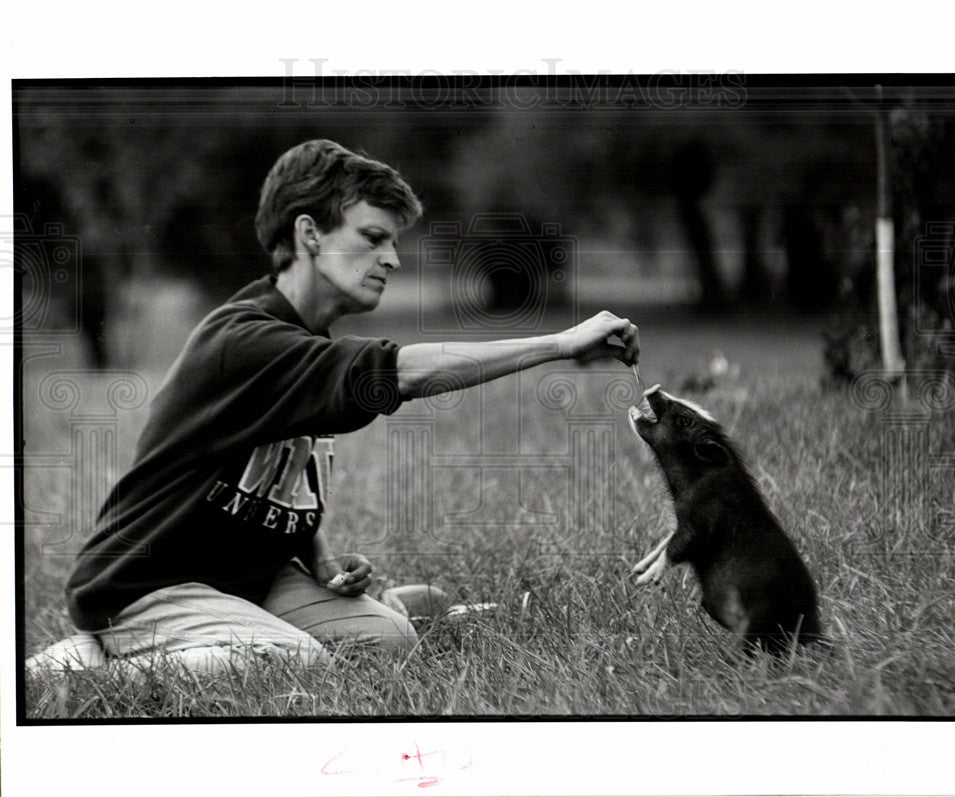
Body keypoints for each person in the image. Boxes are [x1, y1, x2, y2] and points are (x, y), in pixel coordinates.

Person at [57, 139, 641, 675]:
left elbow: (270, 485)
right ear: (310, 233)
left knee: (392, 641)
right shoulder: (245, 341)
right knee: (293, 662)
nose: (392, 259)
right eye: (371, 238)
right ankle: (77, 670)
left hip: (245, 581)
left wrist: (321, 560)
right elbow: (401, 373)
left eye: (392, 242)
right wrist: (559, 344)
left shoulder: (304, 345)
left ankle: (259, 630)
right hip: (147, 586)